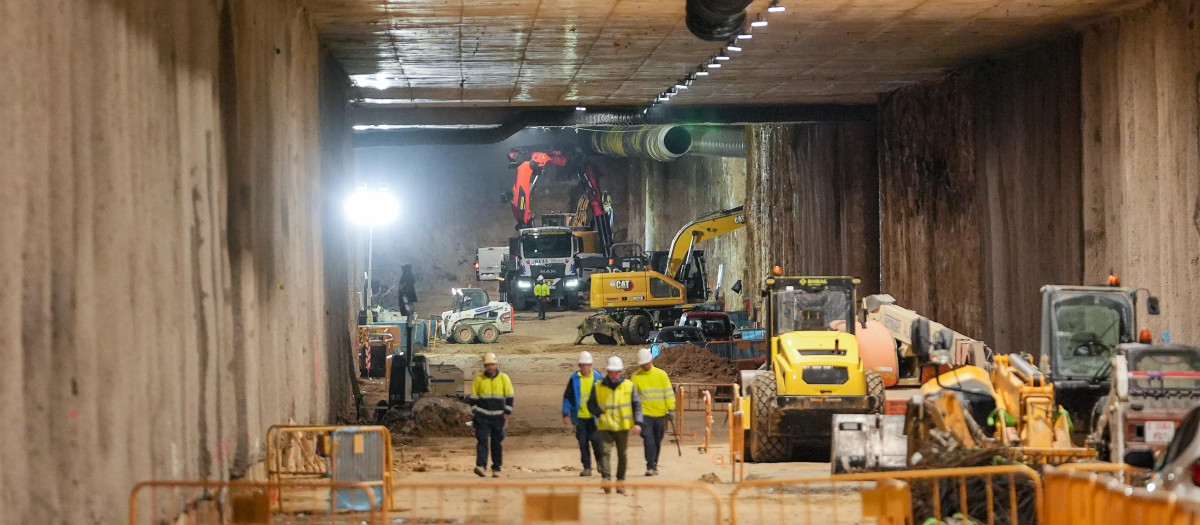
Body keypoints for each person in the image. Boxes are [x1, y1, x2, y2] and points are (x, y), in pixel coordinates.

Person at [587, 356, 643, 494]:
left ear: (621, 372)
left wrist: (638, 423)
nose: (613, 375)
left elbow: (637, 405)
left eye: (616, 372)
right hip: (606, 426)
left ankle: (620, 482)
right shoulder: (598, 386)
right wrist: (599, 413)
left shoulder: (628, 386)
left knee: (622, 455)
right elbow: (591, 404)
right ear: (608, 371)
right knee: (605, 452)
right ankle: (606, 479)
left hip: (622, 426)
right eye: (611, 372)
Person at [630, 347, 675, 476]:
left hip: (660, 414)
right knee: (648, 439)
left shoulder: (661, 375)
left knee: (657, 440)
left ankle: (654, 463)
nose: (645, 366)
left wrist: (670, 408)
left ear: (651, 360)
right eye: (643, 364)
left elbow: (668, 392)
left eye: (647, 363)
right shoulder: (636, 377)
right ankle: (650, 465)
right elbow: (633, 398)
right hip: (644, 415)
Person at [470, 352, 514, 478]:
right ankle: (481, 466)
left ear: (496, 365)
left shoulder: (504, 378)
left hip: (498, 417)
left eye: (492, 365)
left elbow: (510, 396)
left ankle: (496, 468)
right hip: (482, 416)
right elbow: (473, 398)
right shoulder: (479, 379)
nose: (490, 367)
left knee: (496, 443)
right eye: (488, 365)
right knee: (482, 440)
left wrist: (507, 412)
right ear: (484, 366)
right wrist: (476, 412)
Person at [562, 351, 604, 476]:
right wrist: (565, 413)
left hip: (594, 417)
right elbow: (568, 397)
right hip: (580, 417)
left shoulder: (598, 378)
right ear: (579, 365)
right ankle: (587, 467)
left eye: (587, 365)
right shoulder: (574, 379)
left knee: (596, 441)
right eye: (582, 365)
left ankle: (600, 462)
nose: (585, 367)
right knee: (582, 442)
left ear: (590, 365)